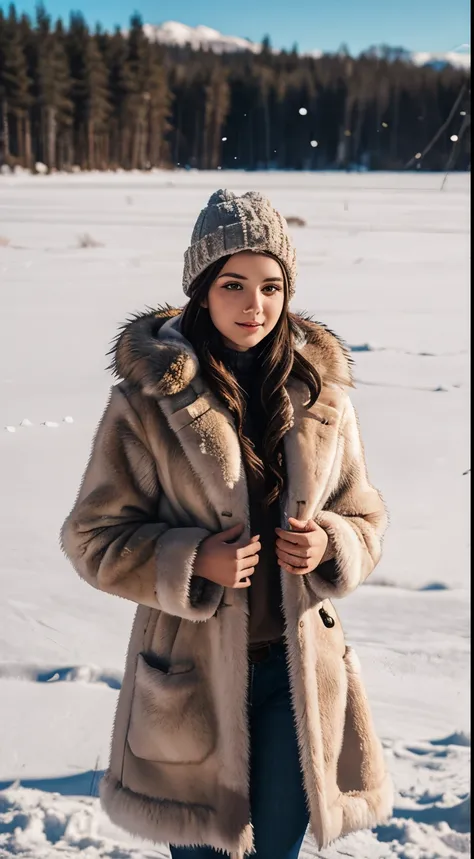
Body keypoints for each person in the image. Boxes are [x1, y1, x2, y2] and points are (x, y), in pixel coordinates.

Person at [61, 189, 392, 859]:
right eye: (233, 283)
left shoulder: (322, 395)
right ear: (201, 290)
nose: (255, 305)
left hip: (298, 678)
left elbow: (365, 514)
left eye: (271, 286)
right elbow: (92, 536)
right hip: (191, 679)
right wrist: (188, 560)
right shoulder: (148, 402)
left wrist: (333, 541)